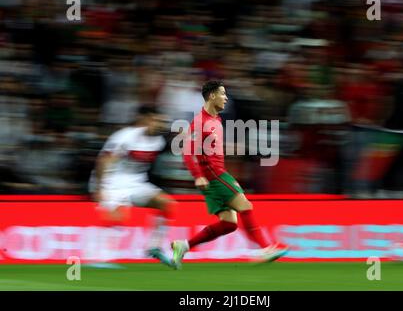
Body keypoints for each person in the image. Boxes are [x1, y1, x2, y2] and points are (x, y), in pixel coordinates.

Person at [171, 80, 289, 269]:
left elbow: (211, 147)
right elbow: (186, 150)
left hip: (215, 175)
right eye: (223, 94)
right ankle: (265, 248)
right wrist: (197, 175)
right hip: (214, 175)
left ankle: (183, 246)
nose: (226, 98)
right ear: (212, 96)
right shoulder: (200, 121)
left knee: (229, 224)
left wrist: (232, 149)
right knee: (245, 205)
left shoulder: (215, 119)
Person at [89, 105, 176, 268]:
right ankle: (98, 257)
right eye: (157, 120)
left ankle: (154, 247)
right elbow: (104, 161)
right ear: (146, 120)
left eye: (163, 121)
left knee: (166, 204)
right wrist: (99, 188)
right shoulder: (125, 137)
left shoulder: (158, 141)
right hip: (112, 181)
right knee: (118, 217)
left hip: (136, 183)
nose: (161, 124)